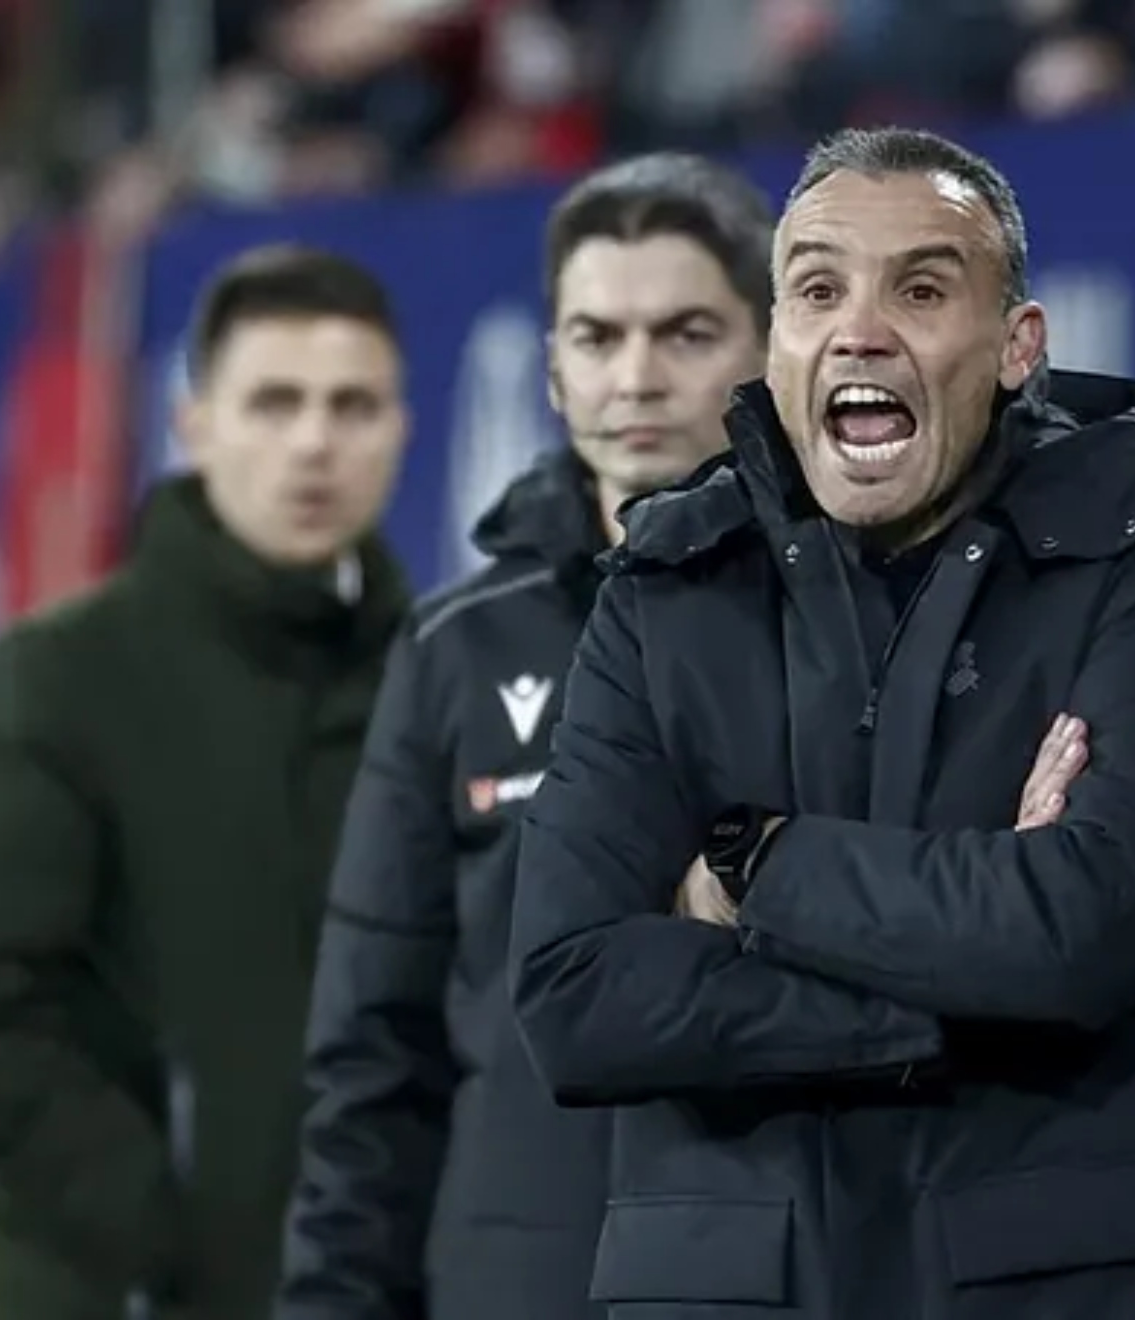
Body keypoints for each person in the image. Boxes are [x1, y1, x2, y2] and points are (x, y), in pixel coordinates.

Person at [507, 124, 1135, 1320]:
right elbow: (575, 996)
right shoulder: (663, 592)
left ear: (1019, 347)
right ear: (779, 342)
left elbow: (1084, 935)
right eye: (817, 289)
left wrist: (755, 868)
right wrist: (961, 976)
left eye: (920, 288)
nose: (861, 328)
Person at [276, 153, 776, 1320]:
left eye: (687, 332)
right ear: (551, 369)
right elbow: (373, 1058)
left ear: (771, 351)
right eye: (597, 337)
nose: (637, 376)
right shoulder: (455, 651)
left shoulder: (860, 636)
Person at [0, 246, 413, 1320]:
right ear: (195, 424)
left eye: (352, 405)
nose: (314, 442)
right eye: (274, 402)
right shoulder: (60, 676)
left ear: (400, 429)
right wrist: (172, 1228)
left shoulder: (439, 680)